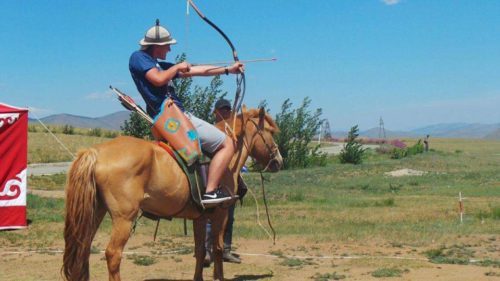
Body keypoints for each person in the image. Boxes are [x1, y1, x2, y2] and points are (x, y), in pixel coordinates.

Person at [129, 20, 244, 204]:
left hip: (172, 116)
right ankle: (211, 191)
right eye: (167, 46)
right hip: (174, 118)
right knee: (227, 144)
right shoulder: (139, 58)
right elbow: (158, 80)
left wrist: (228, 70)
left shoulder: (160, 65)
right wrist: (176, 67)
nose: (169, 50)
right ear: (156, 46)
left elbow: (199, 70)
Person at [204, 99, 247, 266]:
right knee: (210, 214)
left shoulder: (233, 131)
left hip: (231, 176)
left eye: (228, 110)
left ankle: (226, 250)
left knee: (229, 215)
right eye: (222, 110)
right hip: (213, 175)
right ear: (215, 112)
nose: (226, 112)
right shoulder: (210, 130)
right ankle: (207, 251)